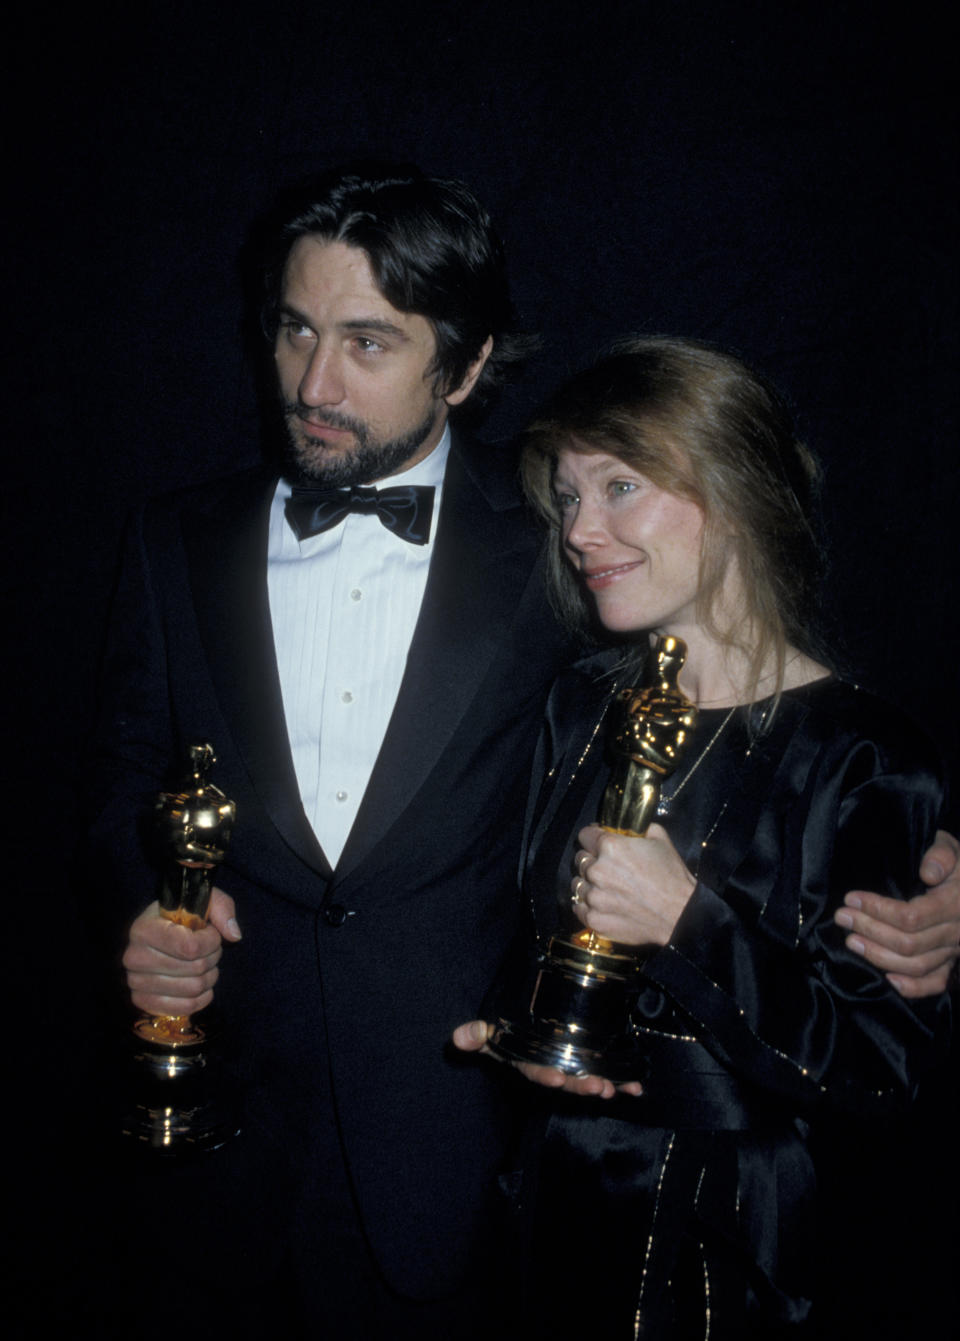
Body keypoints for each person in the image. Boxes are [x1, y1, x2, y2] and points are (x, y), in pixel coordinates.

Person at [98, 172, 957, 1336]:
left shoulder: (562, 543)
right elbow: (114, 784)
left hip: (470, 1182)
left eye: (367, 342)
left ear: (462, 366)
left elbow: (785, 708)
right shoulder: (168, 539)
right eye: (295, 329)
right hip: (217, 1154)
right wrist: (140, 916)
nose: (312, 381)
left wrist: (939, 866)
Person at [455, 336, 954, 1338]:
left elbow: (878, 1073)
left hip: (739, 1246)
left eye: (621, 486)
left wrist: (685, 918)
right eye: (569, 497)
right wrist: (521, 1035)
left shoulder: (864, 754)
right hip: (553, 1212)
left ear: (732, 490)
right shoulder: (580, 705)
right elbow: (533, 937)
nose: (581, 531)